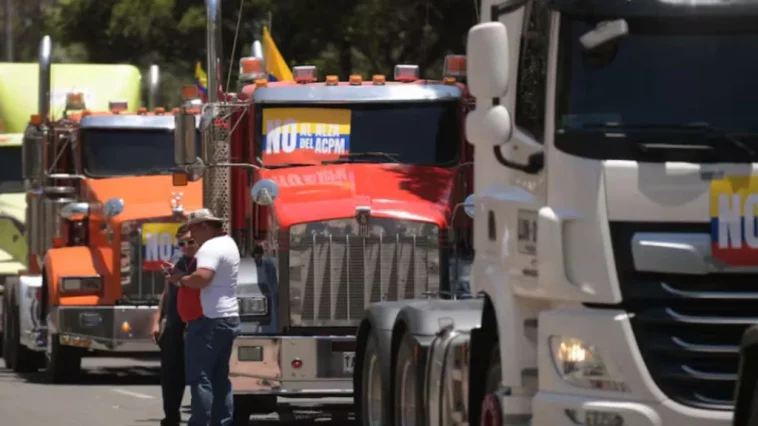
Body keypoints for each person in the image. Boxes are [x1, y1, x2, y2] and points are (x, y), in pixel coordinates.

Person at [167, 208, 241, 426]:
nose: (192, 236)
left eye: (193, 230)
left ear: (204, 226)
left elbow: (202, 278)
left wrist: (180, 279)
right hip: (227, 317)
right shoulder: (229, 243)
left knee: (200, 378)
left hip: (208, 319)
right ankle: (222, 421)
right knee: (220, 379)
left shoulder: (209, 247)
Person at [153, 225, 198, 426]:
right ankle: (171, 415)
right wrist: (156, 321)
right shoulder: (175, 261)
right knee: (171, 373)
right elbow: (166, 293)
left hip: (197, 324)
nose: (186, 246)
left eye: (191, 242)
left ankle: (200, 416)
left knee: (200, 374)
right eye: (182, 243)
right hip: (174, 324)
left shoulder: (204, 262)